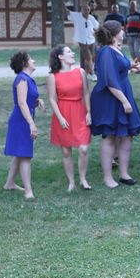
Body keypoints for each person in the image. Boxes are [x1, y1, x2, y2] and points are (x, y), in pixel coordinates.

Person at [91, 21, 140, 188]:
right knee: (110, 136)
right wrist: (124, 101)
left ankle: (124, 173)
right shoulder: (106, 51)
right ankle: (108, 177)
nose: (124, 32)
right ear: (114, 33)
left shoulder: (116, 49)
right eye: (122, 30)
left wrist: (132, 67)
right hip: (111, 97)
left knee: (127, 134)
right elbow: (108, 79)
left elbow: (119, 70)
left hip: (123, 92)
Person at [47, 45, 92, 192]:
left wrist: (89, 112)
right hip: (63, 113)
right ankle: (71, 182)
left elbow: (86, 93)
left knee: (84, 148)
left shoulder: (81, 72)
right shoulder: (53, 76)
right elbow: (52, 99)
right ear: (60, 57)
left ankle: (83, 179)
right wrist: (60, 118)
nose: (72, 53)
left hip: (80, 111)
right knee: (66, 151)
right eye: (68, 52)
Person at [3, 52, 44, 200]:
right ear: (24, 63)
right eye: (30, 59)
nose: (34, 60)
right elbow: (21, 102)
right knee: (25, 155)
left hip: (24, 118)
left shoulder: (27, 79)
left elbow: (28, 98)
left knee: (20, 154)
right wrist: (31, 124)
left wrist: (38, 101)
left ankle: (9, 184)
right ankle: (28, 191)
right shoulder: (22, 79)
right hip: (21, 120)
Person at [66, 4, 99, 80]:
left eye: (88, 9)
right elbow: (68, 12)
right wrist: (62, 4)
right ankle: (93, 74)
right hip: (82, 40)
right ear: (81, 10)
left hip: (91, 40)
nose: (86, 11)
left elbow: (96, 27)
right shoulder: (77, 16)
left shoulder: (91, 18)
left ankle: (86, 73)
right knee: (88, 58)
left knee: (92, 58)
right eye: (84, 9)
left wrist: (97, 34)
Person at [125, 0, 140, 64]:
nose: (132, 6)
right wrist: (126, 32)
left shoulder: (139, 15)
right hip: (129, 36)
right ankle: (136, 64)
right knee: (132, 52)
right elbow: (126, 25)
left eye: (133, 5)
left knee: (137, 51)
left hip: (137, 36)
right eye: (131, 5)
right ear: (129, 6)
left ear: (136, 6)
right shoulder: (128, 16)